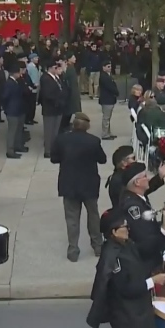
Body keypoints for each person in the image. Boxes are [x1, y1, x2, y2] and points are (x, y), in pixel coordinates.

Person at [86, 208, 165, 328]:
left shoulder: (125, 244)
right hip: (125, 313)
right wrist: (152, 282)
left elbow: (144, 251)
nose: (128, 229)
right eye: (124, 227)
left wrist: (164, 230)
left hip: (136, 310)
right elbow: (125, 288)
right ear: (113, 232)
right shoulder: (113, 257)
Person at [116, 162, 165, 286]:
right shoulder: (133, 207)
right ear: (137, 183)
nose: (148, 179)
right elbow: (147, 244)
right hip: (145, 267)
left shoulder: (136, 197)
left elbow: (150, 230)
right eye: (145, 176)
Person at [51, 112, 108, 261]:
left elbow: (54, 158)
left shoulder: (62, 139)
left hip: (69, 184)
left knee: (72, 219)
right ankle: (98, 246)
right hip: (89, 184)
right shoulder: (93, 141)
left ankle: (73, 250)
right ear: (87, 126)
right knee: (93, 216)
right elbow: (102, 160)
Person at [105, 146, 165, 210]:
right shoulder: (118, 180)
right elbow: (138, 190)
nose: (136, 160)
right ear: (124, 163)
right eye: (133, 158)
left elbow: (140, 188)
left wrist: (160, 176)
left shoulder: (122, 175)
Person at [39, 59, 64, 158]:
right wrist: (57, 101)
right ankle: (48, 151)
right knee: (49, 131)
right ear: (49, 68)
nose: (56, 69)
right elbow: (47, 94)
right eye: (55, 67)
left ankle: (54, 148)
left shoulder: (55, 77)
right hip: (50, 109)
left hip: (57, 108)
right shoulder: (46, 78)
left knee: (55, 131)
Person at [98, 60, 119, 140]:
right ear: (103, 67)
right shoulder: (104, 77)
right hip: (106, 100)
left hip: (109, 99)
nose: (110, 68)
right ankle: (105, 134)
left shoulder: (108, 75)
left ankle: (108, 132)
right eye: (108, 67)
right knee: (106, 118)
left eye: (110, 66)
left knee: (108, 117)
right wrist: (116, 92)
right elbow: (110, 87)